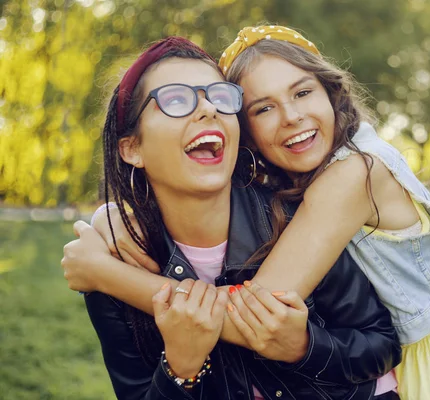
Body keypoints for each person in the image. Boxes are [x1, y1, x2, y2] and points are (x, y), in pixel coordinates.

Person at [61, 36, 401, 399]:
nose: (208, 109)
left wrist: (306, 346)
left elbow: (381, 343)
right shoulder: (118, 255)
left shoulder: (293, 219)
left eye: (220, 97)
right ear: (132, 148)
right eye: (176, 99)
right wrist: (180, 368)